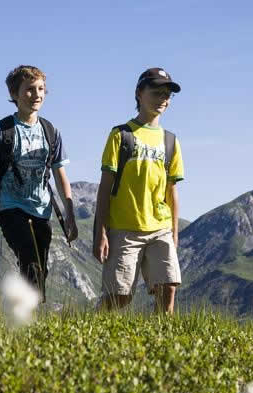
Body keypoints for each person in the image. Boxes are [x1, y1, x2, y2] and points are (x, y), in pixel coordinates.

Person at [0, 65, 78, 299]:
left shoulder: (51, 132)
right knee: (29, 260)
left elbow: (61, 177)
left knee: (40, 269)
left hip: (42, 210)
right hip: (10, 208)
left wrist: (69, 215)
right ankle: (27, 317)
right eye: (29, 89)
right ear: (14, 95)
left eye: (41, 89)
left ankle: (28, 316)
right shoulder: (0, 132)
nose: (37, 94)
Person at [93, 67, 184, 313]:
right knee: (119, 297)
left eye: (167, 94)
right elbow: (105, 188)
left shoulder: (171, 141)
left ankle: (164, 343)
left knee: (168, 287)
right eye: (156, 92)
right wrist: (101, 231)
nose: (163, 99)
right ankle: (90, 330)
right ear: (139, 94)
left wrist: (174, 233)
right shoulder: (121, 135)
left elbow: (171, 191)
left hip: (160, 228)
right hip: (124, 229)